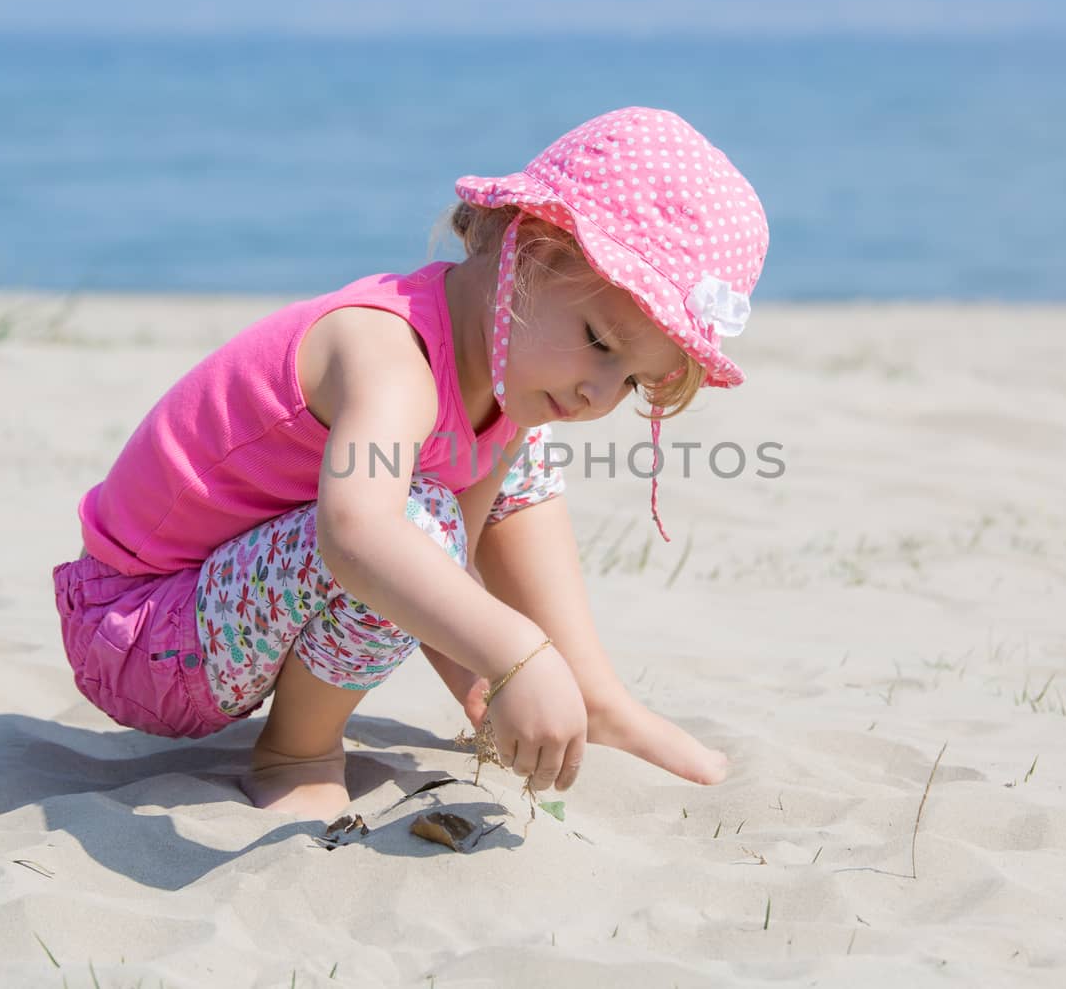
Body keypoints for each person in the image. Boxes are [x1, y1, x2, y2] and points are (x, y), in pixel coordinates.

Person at [52, 106, 769, 821]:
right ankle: (297, 751)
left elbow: (443, 574)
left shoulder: (499, 379)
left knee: (508, 460)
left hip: (231, 605)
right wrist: (518, 652)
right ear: (526, 246)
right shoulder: (390, 356)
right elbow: (360, 536)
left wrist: (483, 679)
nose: (598, 395)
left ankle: (593, 692)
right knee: (409, 525)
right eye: (600, 343)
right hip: (142, 632)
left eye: (632, 382)